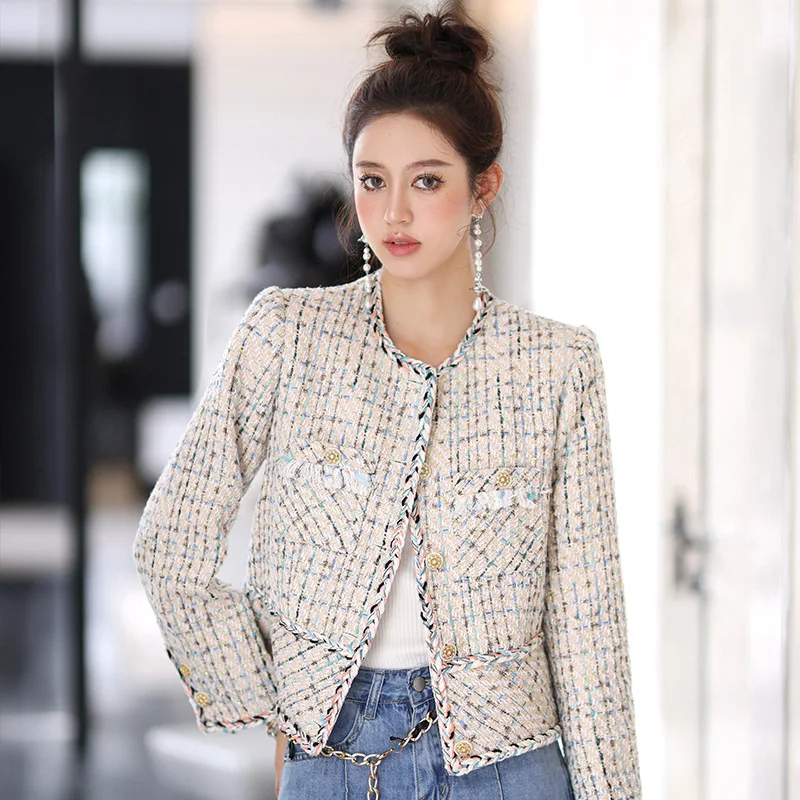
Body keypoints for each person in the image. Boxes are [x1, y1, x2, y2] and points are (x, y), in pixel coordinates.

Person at [133, 4, 642, 799]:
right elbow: (172, 543)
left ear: (483, 188)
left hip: (512, 765)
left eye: (427, 180)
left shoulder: (557, 365)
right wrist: (273, 701)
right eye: (372, 180)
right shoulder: (287, 336)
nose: (394, 212)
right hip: (338, 758)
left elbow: (588, 625)